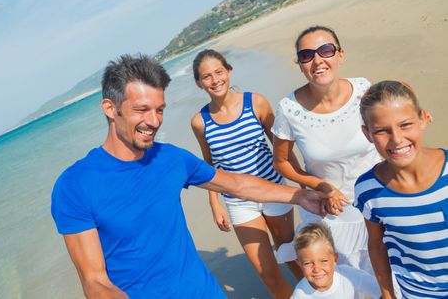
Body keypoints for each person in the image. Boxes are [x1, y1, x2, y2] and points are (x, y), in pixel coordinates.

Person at [51, 54, 327, 299]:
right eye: (141, 110)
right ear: (111, 108)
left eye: (159, 110)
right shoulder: (75, 186)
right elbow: (94, 280)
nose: (154, 121)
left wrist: (301, 195)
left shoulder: (170, 158)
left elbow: (236, 183)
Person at [190, 49, 302, 298]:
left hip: (274, 191)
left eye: (219, 72)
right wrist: (214, 204)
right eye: (206, 76)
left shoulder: (256, 102)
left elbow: (281, 149)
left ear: (229, 71)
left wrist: (300, 182)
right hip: (238, 202)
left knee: (292, 256)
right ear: (199, 83)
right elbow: (209, 166)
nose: (215, 80)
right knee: (269, 274)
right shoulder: (200, 121)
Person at [272, 26, 381, 275]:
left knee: (389, 279)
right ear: (300, 64)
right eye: (307, 55)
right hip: (330, 213)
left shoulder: (364, 90)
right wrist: (319, 185)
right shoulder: (289, 108)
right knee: (348, 283)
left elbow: (388, 131)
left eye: (325, 50)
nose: (317, 60)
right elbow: (282, 163)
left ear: (340, 55)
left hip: (378, 202)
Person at [355, 80, 448, 299]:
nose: (397, 139)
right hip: (417, 294)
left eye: (405, 125)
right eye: (381, 130)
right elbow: (376, 245)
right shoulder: (368, 190)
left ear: (423, 118)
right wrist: (388, 295)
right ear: (367, 133)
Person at [291, 222, 381, 298]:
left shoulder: (348, 275)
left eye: (323, 261)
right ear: (299, 264)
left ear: (335, 259)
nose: (317, 269)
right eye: (308, 263)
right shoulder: (300, 294)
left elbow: (380, 291)